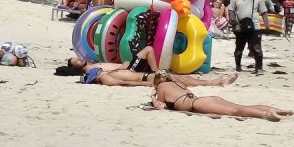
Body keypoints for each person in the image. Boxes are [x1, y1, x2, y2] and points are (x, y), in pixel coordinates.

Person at [147, 72, 292, 121]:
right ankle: (276, 110)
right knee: (239, 107)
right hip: (205, 100)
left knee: (236, 111)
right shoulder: (177, 83)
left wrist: (153, 96)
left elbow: (161, 106)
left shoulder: (161, 87)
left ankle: (266, 114)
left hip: (198, 104)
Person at [57, 53, 237, 87]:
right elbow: (119, 82)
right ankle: (214, 82)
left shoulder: (99, 69)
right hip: (143, 78)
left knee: (175, 78)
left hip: (143, 76)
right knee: (176, 79)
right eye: (75, 61)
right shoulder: (98, 73)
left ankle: (213, 82)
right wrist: (144, 85)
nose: (78, 59)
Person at [228, 0, 271, 75]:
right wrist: (233, 19)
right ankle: (238, 66)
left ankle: (259, 68)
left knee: (257, 48)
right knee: (239, 49)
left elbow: (264, 12)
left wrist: (267, 25)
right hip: (240, 27)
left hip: (255, 27)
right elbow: (231, 10)